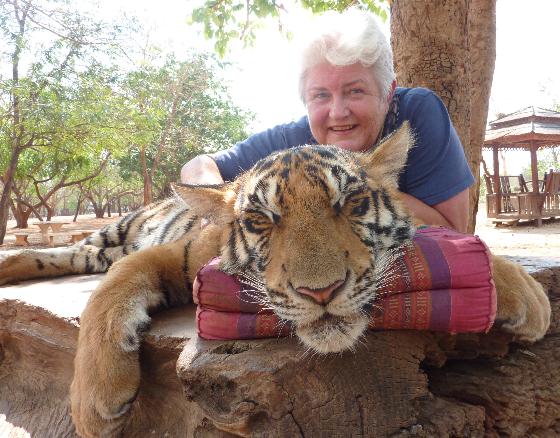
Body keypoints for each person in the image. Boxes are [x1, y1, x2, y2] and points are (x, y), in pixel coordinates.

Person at [181, 8, 474, 232]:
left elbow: (454, 232)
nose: (337, 112)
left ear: (388, 94)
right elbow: (198, 166)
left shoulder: (418, 113)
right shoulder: (295, 141)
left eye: (355, 91)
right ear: (305, 101)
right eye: (320, 95)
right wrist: (219, 206)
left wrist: (354, 188)